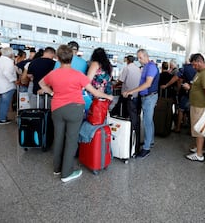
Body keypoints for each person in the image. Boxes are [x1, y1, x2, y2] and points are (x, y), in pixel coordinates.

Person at [38, 44, 113, 183]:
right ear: (72, 58)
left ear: (58, 58)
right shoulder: (78, 75)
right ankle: (66, 173)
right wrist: (108, 97)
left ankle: (57, 169)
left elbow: (41, 83)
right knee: (71, 140)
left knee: (58, 137)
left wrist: (52, 92)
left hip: (57, 108)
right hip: (75, 109)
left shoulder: (53, 74)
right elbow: (94, 92)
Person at [123, 49, 159, 158]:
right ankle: (150, 141)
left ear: (146, 56)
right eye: (138, 58)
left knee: (147, 122)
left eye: (140, 58)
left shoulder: (151, 67)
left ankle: (146, 148)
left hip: (149, 97)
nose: (139, 60)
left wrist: (131, 91)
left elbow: (148, 84)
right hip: (146, 97)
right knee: (149, 120)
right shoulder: (146, 67)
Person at [185, 53, 205, 162]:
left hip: (200, 106)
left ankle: (199, 154)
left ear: (200, 62)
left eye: (194, 64)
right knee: (198, 129)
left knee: (199, 130)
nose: (193, 67)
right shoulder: (200, 72)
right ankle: (199, 148)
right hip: (197, 105)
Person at [116, 55, 142, 153]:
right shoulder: (138, 69)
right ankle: (133, 137)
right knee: (134, 117)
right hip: (136, 96)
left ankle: (126, 135)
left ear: (127, 60)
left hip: (127, 96)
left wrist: (114, 84)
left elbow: (121, 81)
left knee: (126, 116)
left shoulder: (126, 68)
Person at [0, 47, 17, 124]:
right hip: (7, 85)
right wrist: (14, 80)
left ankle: (1, 117)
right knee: (5, 103)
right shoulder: (8, 61)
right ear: (10, 53)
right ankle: (2, 119)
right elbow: (6, 73)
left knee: (2, 102)